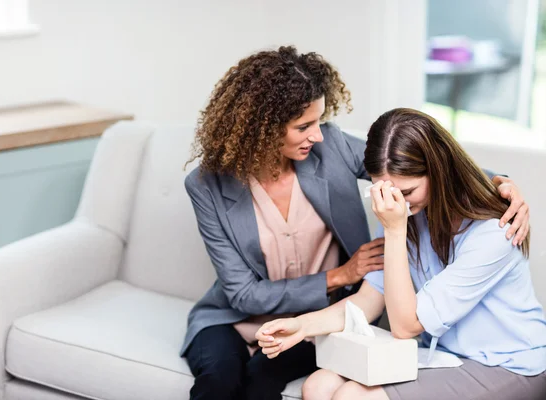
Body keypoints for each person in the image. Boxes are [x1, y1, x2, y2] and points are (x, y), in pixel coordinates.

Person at [182, 46, 530, 400]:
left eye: (318, 122)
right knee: (242, 382)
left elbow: (428, 166)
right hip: (243, 315)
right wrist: (323, 299)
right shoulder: (207, 184)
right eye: (303, 126)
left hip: (495, 357)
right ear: (263, 130)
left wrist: (498, 183)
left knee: (281, 384)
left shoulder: (407, 205)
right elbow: (247, 293)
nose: (317, 135)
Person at [255, 108, 546, 400]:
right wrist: (300, 326)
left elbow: (406, 327)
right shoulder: (406, 214)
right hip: (442, 355)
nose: (398, 204)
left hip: (509, 363)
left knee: (354, 397)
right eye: (386, 192)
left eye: (407, 193)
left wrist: (395, 230)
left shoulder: (493, 233)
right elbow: (367, 301)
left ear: (438, 172)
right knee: (318, 386)